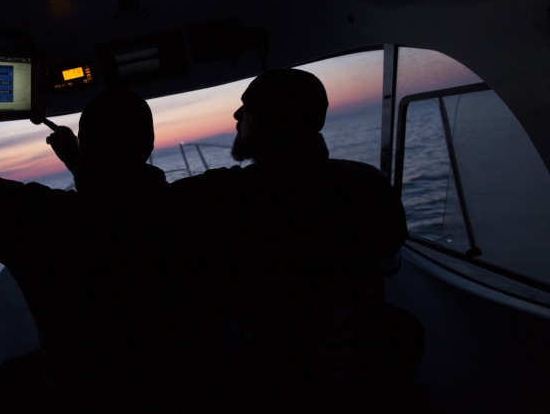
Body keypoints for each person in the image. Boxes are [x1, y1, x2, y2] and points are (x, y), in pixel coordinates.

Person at [0, 68, 196, 412]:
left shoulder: (48, 223)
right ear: (149, 145)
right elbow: (119, 200)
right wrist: (78, 160)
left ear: (89, 144)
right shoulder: (185, 215)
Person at [162, 68, 419, 411]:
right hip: (367, 370)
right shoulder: (367, 182)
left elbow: (138, 210)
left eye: (247, 110)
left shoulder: (221, 195)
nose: (237, 116)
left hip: (272, 375)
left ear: (270, 123)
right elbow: (389, 264)